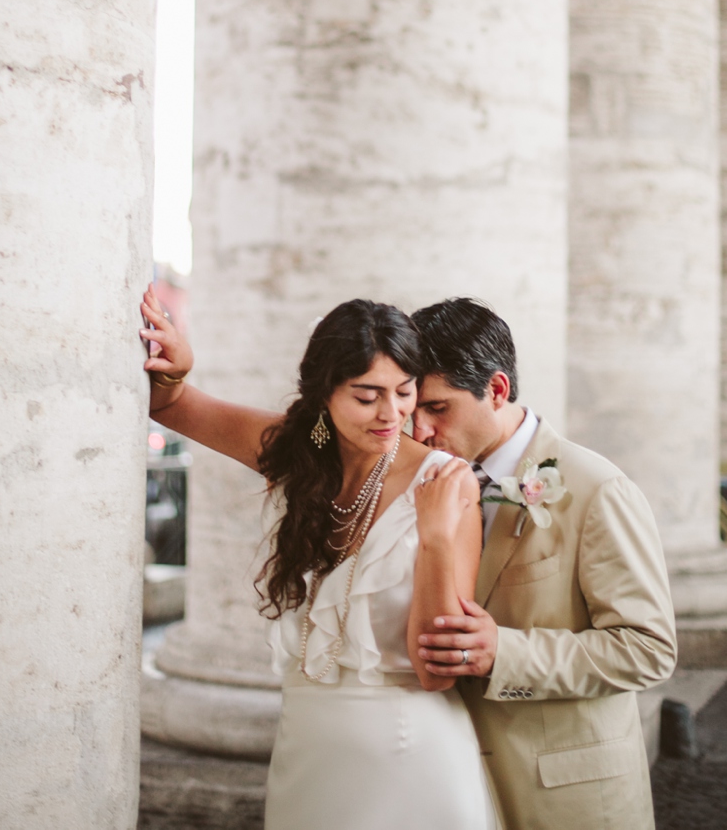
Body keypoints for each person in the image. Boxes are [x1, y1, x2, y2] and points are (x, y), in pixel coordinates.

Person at [139, 285, 497, 830]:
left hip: (409, 758)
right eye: (366, 395)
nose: (390, 414)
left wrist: (438, 540)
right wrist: (178, 368)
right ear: (323, 393)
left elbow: (435, 671)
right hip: (309, 750)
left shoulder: (446, 484)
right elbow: (171, 406)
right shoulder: (296, 449)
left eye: (404, 392)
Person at [409, 297, 677, 830]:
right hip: (455, 787)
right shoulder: (427, 481)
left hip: (571, 797)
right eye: (411, 409)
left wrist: (503, 651)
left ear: (498, 389)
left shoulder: (598, 489)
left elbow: (649, 649)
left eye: (437, 408)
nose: (419, 431)